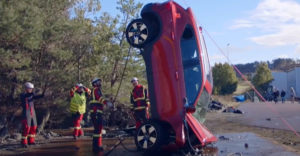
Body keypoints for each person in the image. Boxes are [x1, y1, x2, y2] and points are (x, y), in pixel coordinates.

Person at [89, 78, 112, 152]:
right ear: (95, 83)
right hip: (96, 112)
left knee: (98, 130)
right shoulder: (96, 90)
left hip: (96, 112)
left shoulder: (95, 90)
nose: (100, 83)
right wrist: (107, 103)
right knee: (97, 130)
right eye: (98, 82)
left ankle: (97, 145)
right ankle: (96, 147)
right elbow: (100, 98)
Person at [20, 82, 44, 148]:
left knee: (34, 127)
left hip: (32, 112)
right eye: (30, 88)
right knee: (26, 127)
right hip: (26, 113)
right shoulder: (23, 95)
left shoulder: (31, 95)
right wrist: (32, 93)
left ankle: (31, 141)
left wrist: (43, 94)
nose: (31, 90)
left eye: (31, 89)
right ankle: (24, 142)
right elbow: (27, 95)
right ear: (26, 88)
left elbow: (37, 96)